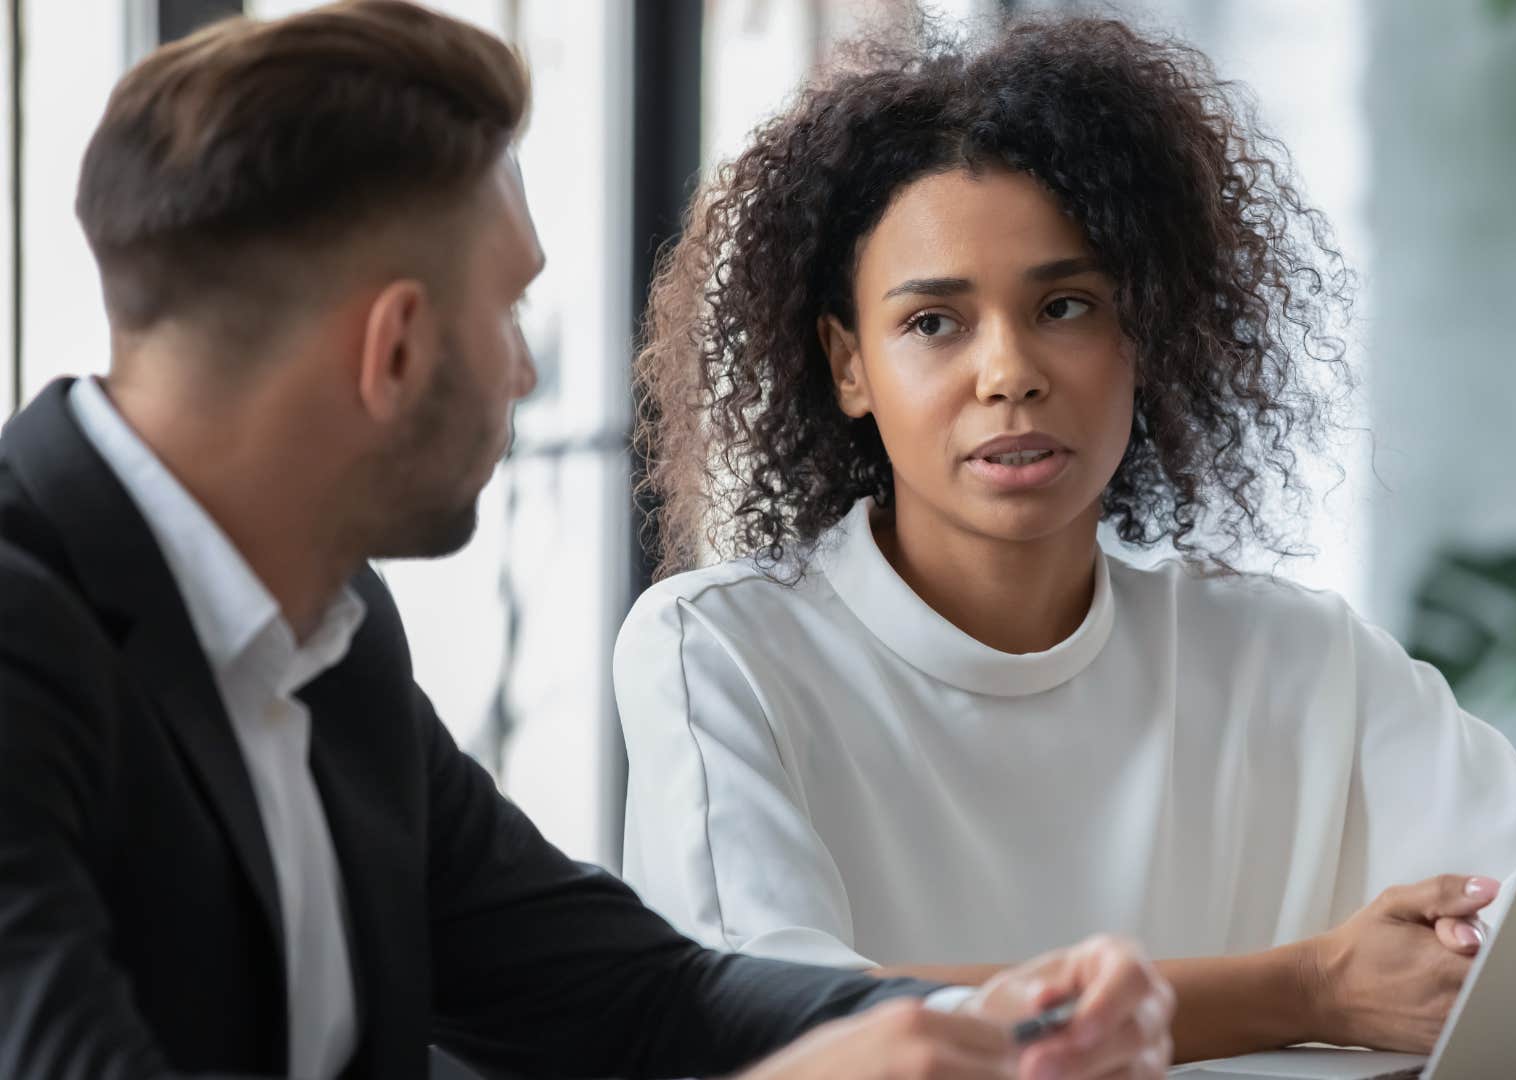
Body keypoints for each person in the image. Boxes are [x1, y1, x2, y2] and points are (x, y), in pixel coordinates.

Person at [0, 3, 1175, 1078]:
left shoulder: (326, 638)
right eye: (510, 309)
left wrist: (999, 1027)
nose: (524, 367)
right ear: (396, 349)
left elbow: (637, 997)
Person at [617, 13, 1516, 1064]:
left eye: (1065, 306)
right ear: (848, 366)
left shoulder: (1290, 657)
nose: (1009, 371)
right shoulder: (721, 652)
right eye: (935, 322)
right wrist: (1310, 989)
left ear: (1142, 334)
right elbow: (785, 1011)